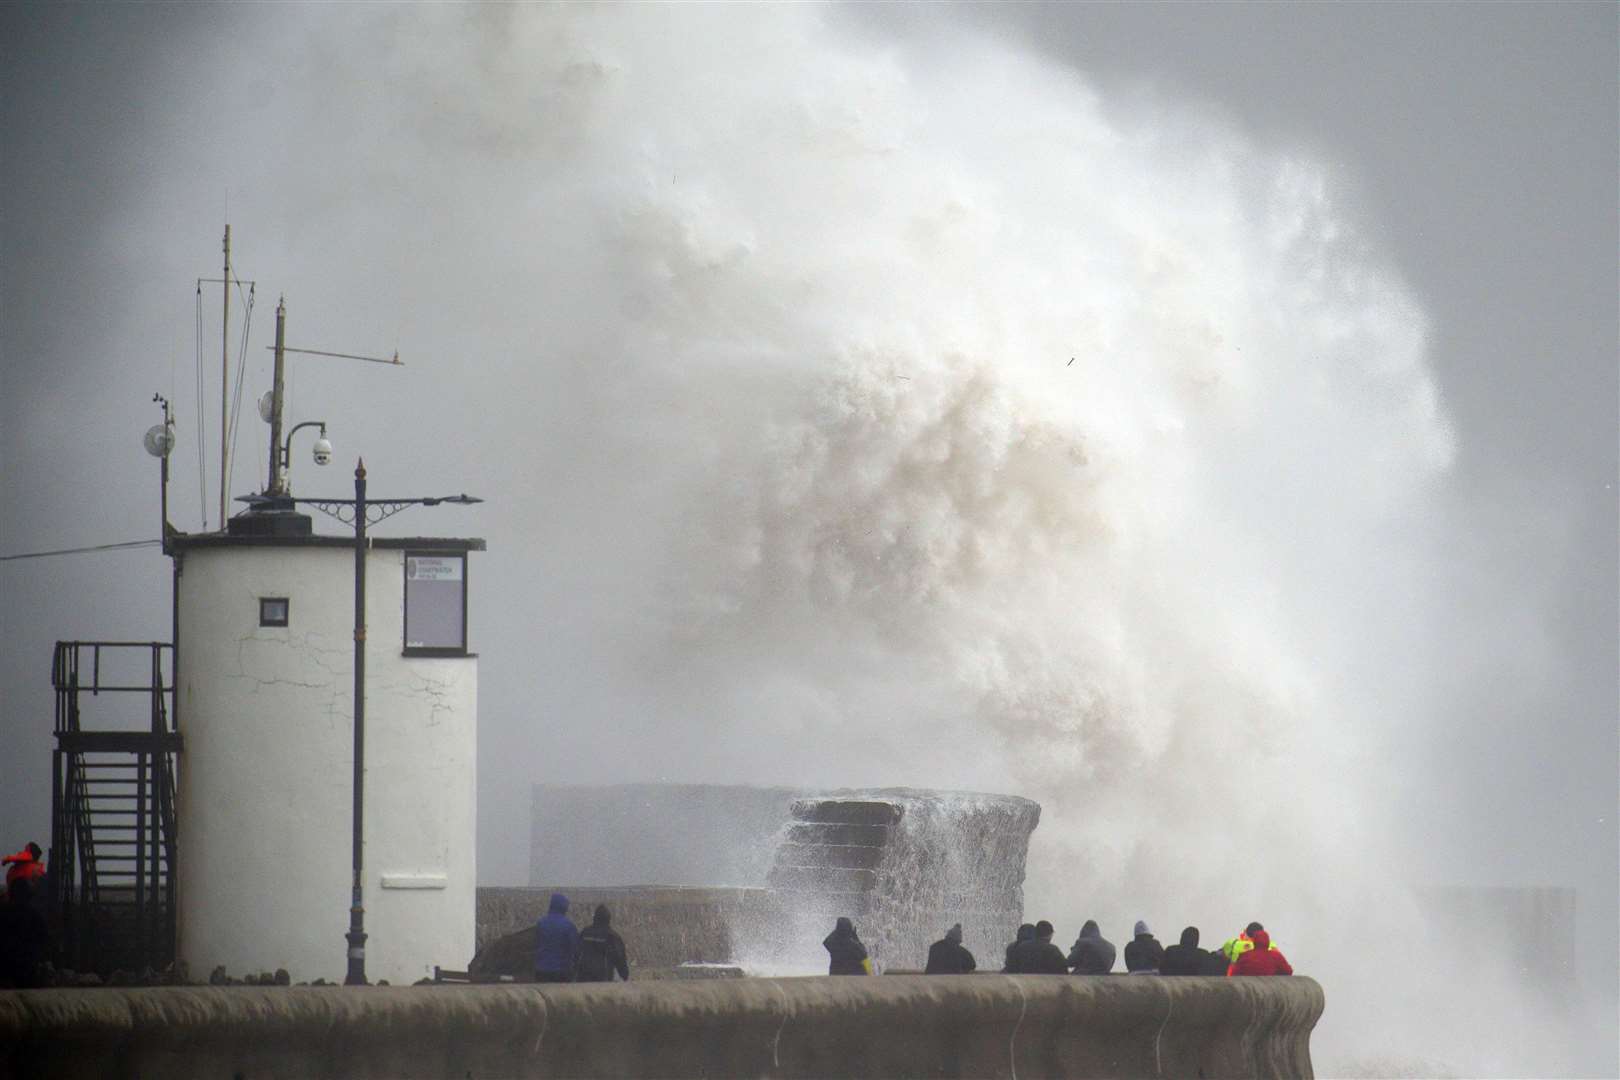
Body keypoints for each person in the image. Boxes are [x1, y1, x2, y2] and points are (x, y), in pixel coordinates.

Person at [0, 879, 48, 989]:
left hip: (4, 968)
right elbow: (44, 939)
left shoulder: (3, 913)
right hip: (26, 968)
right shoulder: (34, 916)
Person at [575, 904, 630, 982]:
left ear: (594, 918)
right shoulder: (612, 936)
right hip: (603, 978)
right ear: (608, 919)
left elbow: (576, 953)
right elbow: (620, 958)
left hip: (583, 977)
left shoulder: (585, 933)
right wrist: (624, 975)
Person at [533, 892, 580, 983]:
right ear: (564, 907)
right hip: (561, 971)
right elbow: (574, 948)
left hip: (541, 970)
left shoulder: (541, 923)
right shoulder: (568, 925)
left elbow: (536, 943)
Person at [1228, 928, 1292, 976]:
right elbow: (1288, 971)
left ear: (1254, 941)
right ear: (1268, 942)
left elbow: (1233, 973)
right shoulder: (1276, 956)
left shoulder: (1245, 956)